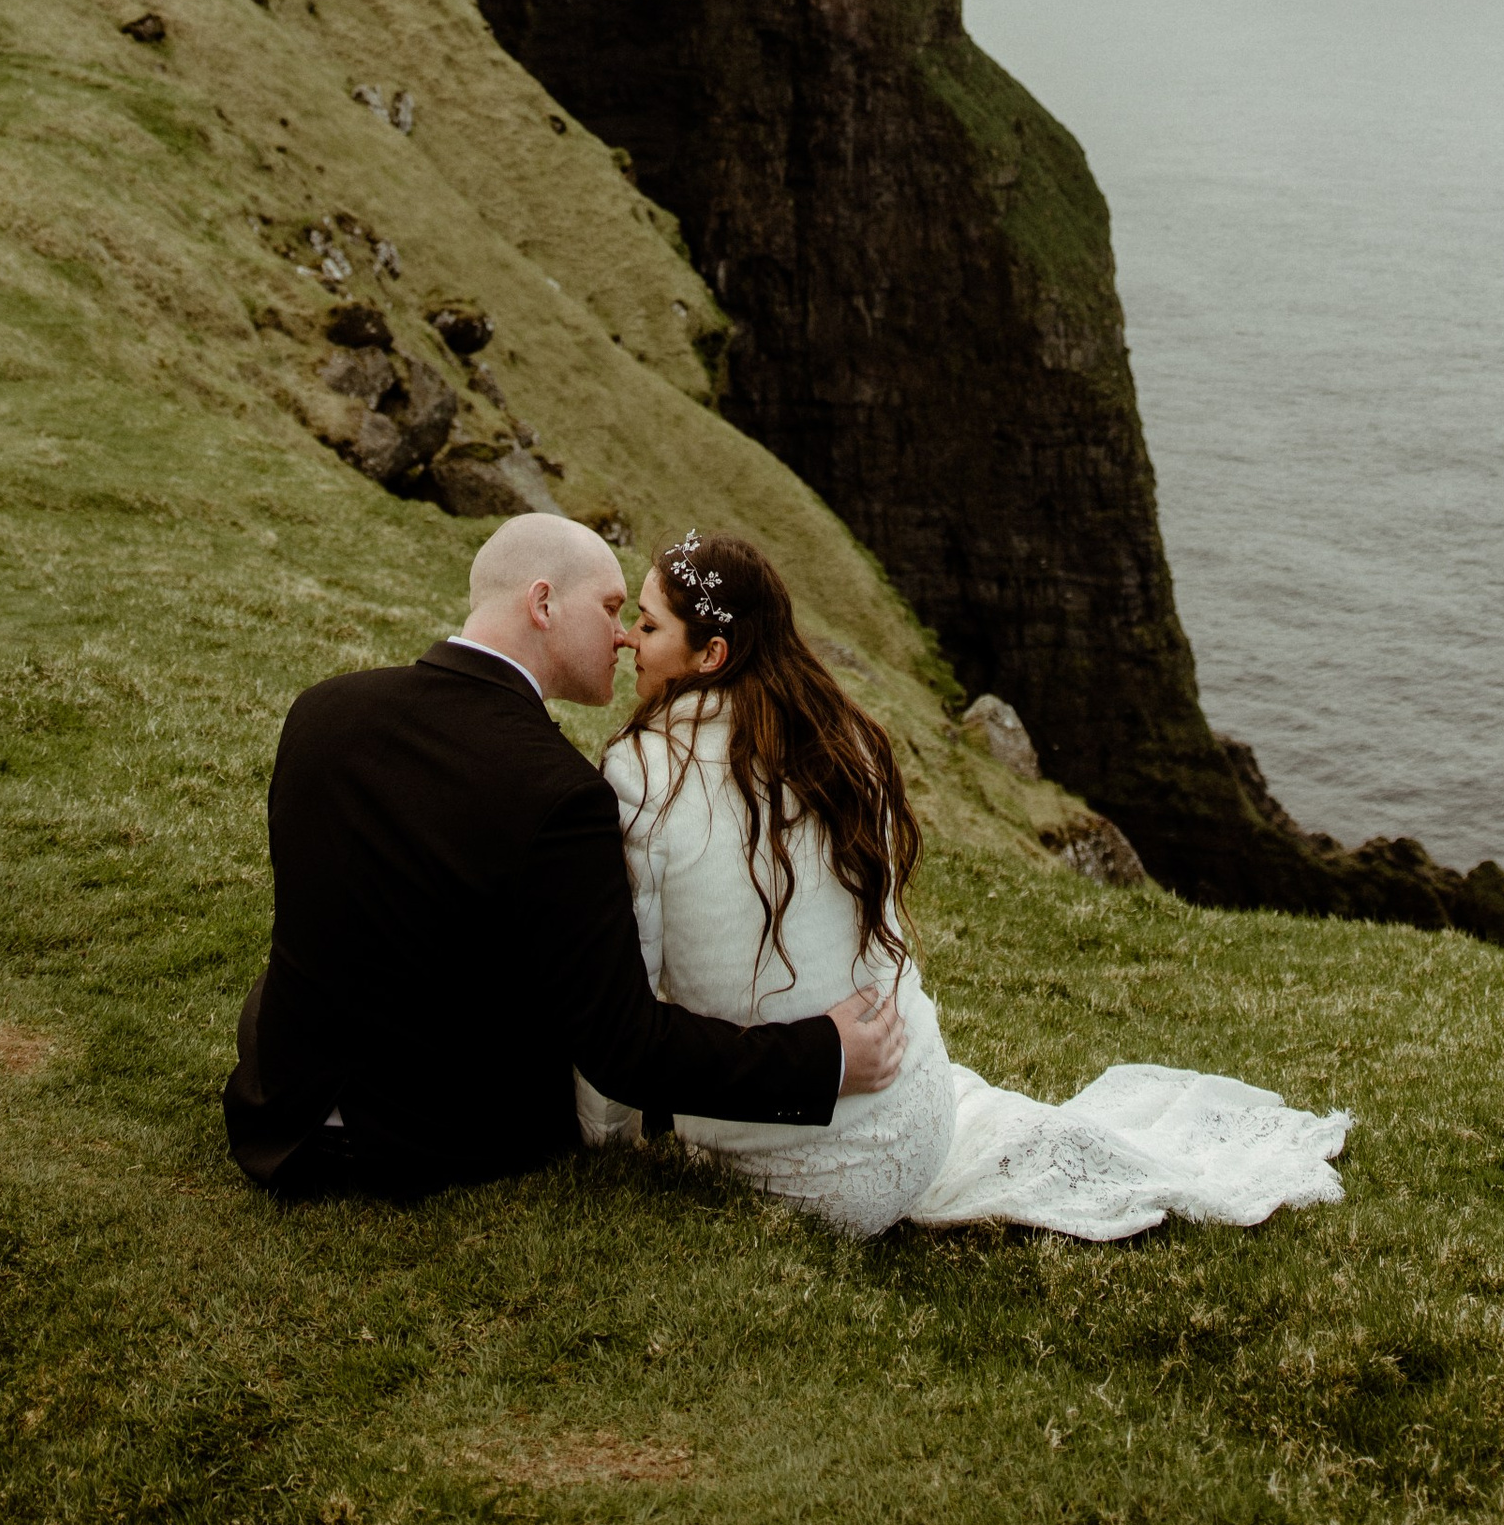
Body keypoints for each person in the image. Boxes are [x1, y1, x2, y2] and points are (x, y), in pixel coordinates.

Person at [576, 529, 1352, 1240]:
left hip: (791, 1180)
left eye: (647, 625)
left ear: (711, 655)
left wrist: (605, 1140)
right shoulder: (845, 742)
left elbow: (626, 985)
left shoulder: (642, 774)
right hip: (917, 1115)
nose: (627, 639)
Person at [223, 511, 908, 1200]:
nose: (621, 634)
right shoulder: (560, 794)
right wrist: (827, 1057)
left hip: (281, 1107)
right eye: (612, 608)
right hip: (427, 1144)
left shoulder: (321, 710)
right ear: (543, 603)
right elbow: (625, 1050)